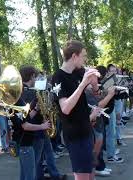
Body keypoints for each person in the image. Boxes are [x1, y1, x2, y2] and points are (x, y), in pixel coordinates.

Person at [51, 40, 101, 180]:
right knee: (82, 176)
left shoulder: (78, 72)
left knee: (90, 174)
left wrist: (95, 85)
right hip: (75, 135)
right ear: (74, 56)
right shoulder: (58, 77)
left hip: (86, 130)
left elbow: (95, 94)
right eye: (83, 56)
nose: (85, 59)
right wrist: (83, 84)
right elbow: (65, 108)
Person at [10, 65, 50, 180]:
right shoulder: (17, 100)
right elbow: (25, 125)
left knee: (26, 173)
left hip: (25, 140)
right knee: (29, 175)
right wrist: (42, 126)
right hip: (24, 142)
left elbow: (25, 118)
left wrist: (36, 109)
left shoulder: (18, 99)